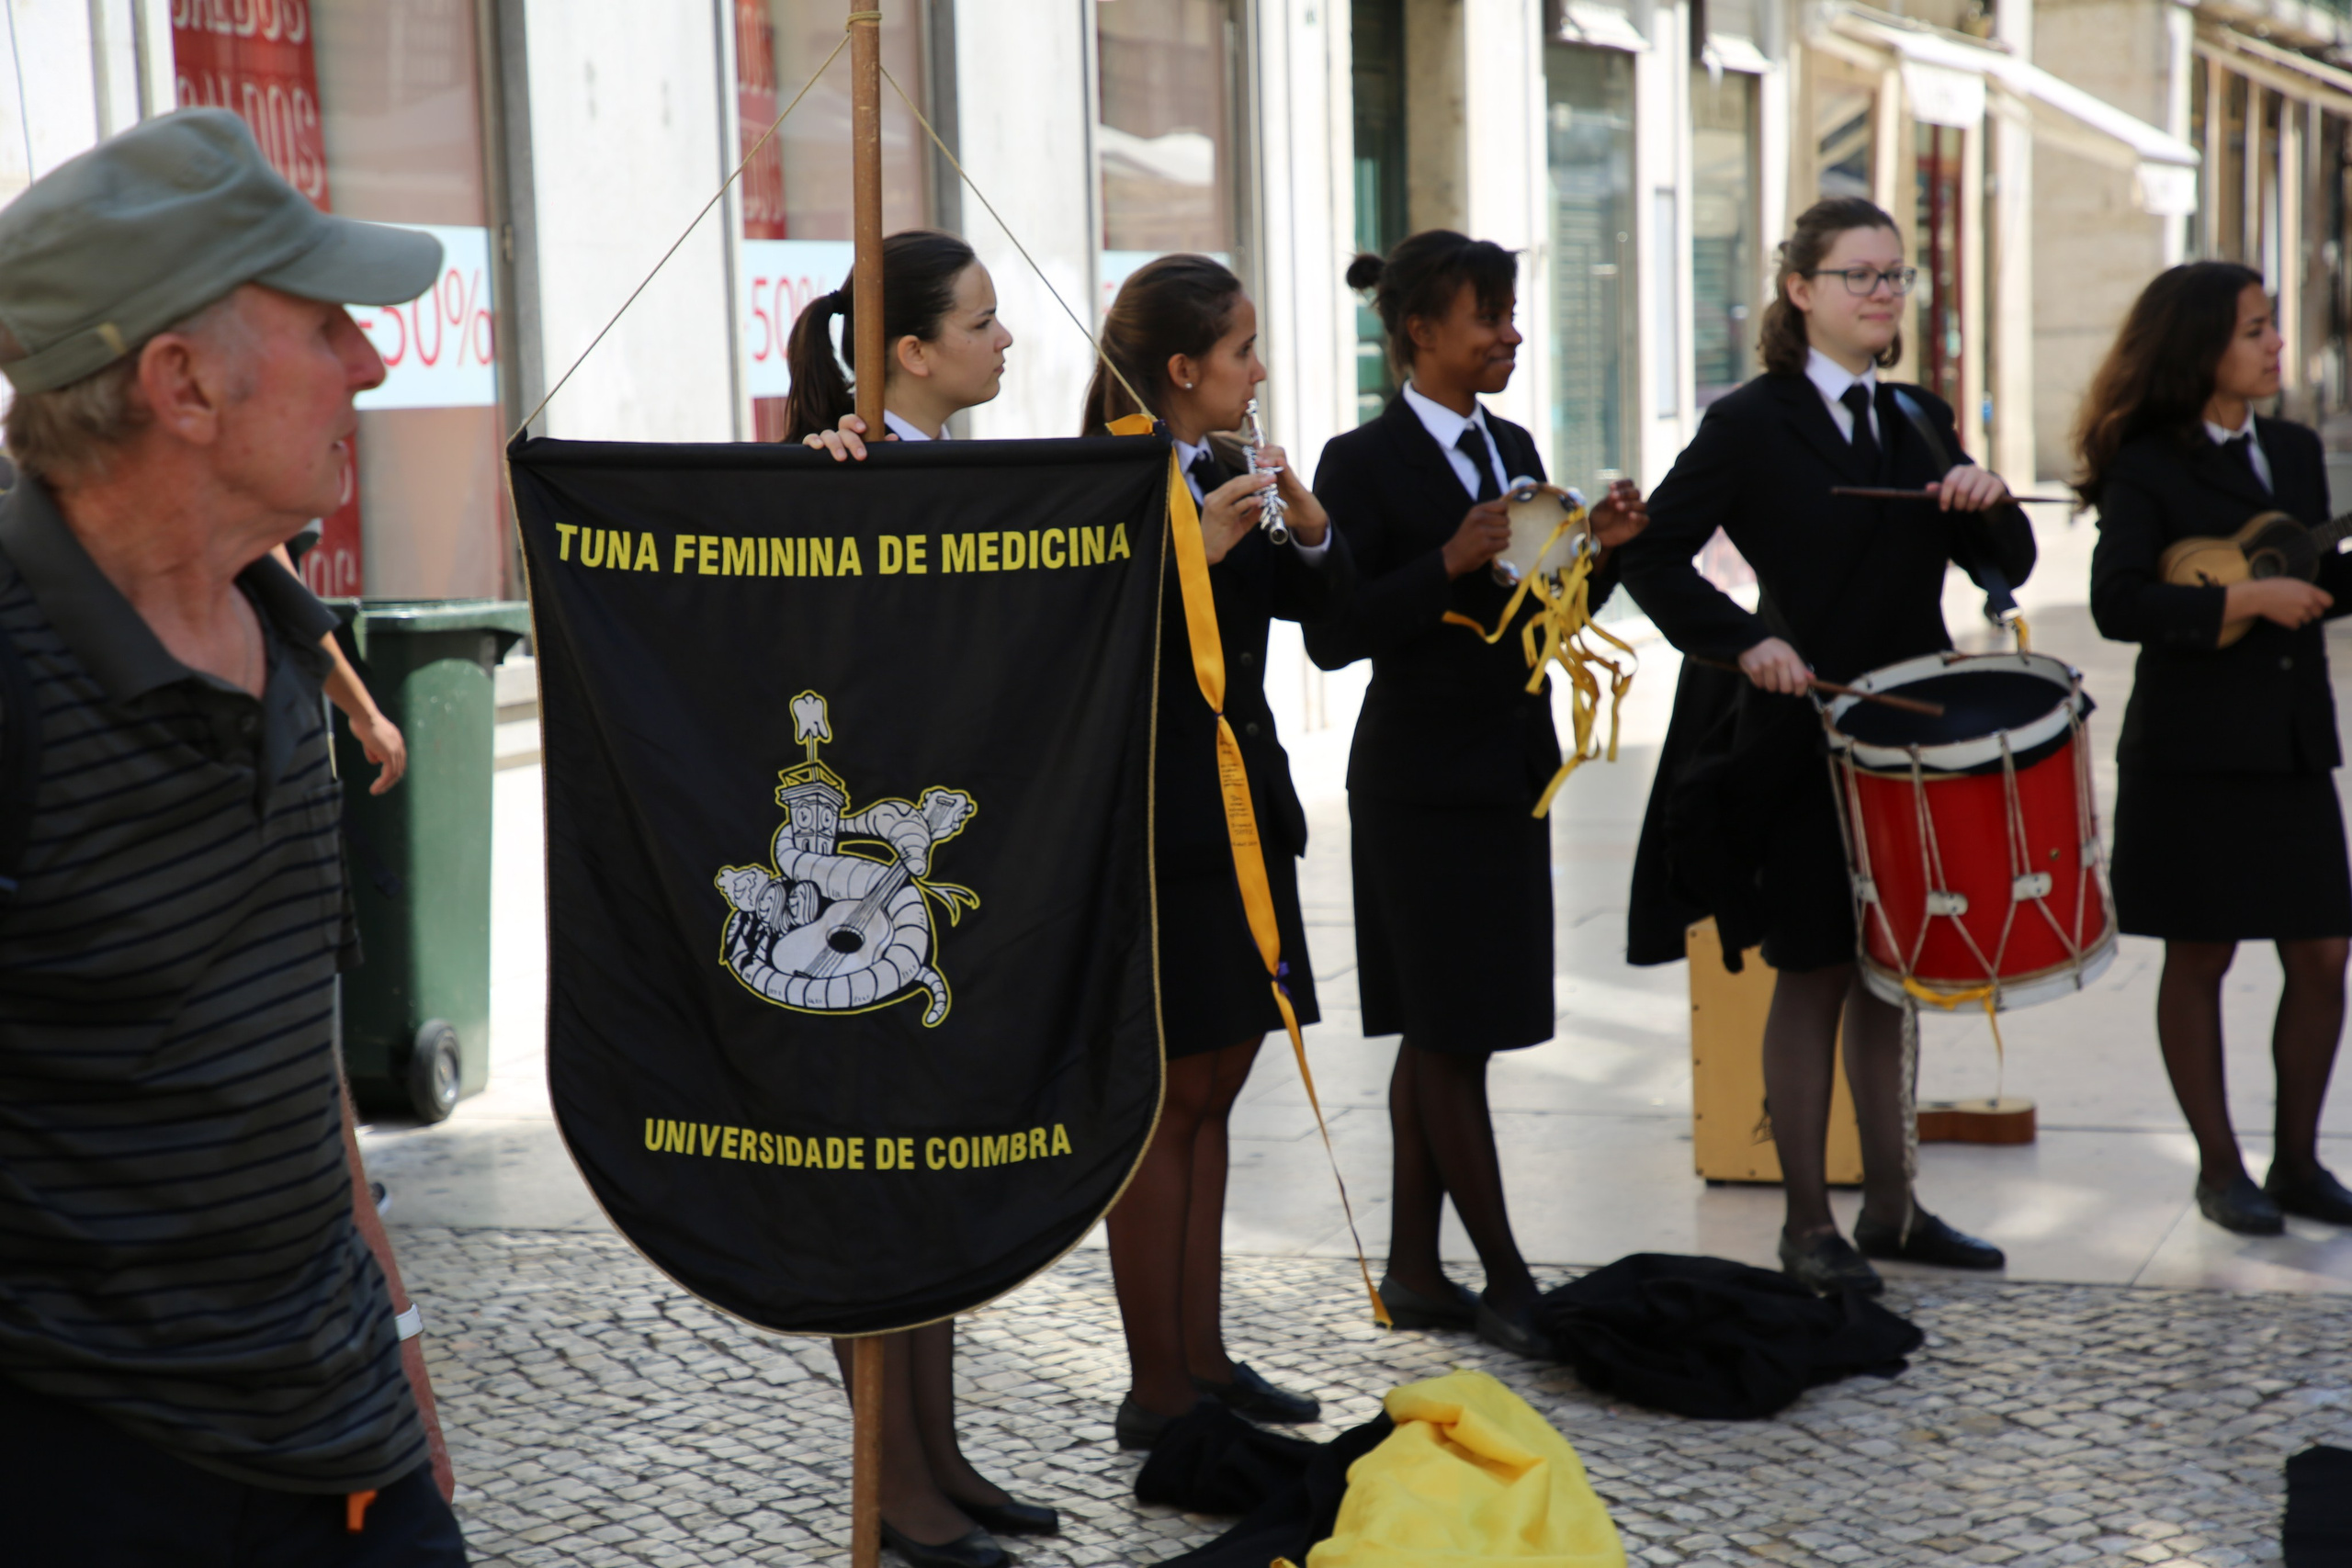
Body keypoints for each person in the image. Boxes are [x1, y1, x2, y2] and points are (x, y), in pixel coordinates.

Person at [0, 108, 461, 1562]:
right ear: (181, 384)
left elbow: (298, 1066)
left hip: (351, 1451)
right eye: (328, 325)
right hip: (93, 1485)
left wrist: (400, 1348)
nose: (375, 362)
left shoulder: (276, 632)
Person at [1618, 196, 2033, 1295]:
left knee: (1895, 975)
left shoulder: (1920, 417)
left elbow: (2009, 559)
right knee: (1812, 974)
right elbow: (1650, 557)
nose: (1884, 293)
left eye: (1895, 275)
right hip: (1801, 735)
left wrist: (1983, 502)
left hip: (1910, 730)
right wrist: (1743, 639)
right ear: (1801, 291)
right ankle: (1810, 1225)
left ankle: (1894, 1208)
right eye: (1860, 275)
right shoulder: (1749, 421)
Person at [1304, 231, 1648, 1357]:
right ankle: (1504, 1277)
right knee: (1448, 1033)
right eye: (1487, 315)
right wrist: (1444, 561)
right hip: (1417, 781)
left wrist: (1600, 555)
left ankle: (1415, 1271)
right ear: (1420, 333)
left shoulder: (1511, 445)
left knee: (1454, 1034)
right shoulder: (1359, 462)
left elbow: (1541, 619)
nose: (1508, 333)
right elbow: (1334, 632)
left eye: (1509, 314)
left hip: (1505, 769)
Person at [779, 231, 1050, 1568]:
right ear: (910, 350)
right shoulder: (841, 470)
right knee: (874, 1186)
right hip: (856, 897)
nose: (1008, 343)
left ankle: (938, 1452)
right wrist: (815, 491)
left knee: (930, 1177)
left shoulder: (966, 469)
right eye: (985, 322)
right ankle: (890, 1480)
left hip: (953, 871)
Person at [1081, 254, 1351, 1449]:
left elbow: (1320, 619)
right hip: (1165, 827)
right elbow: (1089, 652)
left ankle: (1203, 1355)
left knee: (1221, 1089)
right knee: (1166, 1102)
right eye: (1242, 350)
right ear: (1184, 368)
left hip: (1251, 809)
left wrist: (1310, 527)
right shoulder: (1106, 476)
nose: (1259, 369)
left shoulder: (1234, 460)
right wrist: (1191, 546)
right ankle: (1159, 1388)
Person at [2079, 262, 2352, 1235]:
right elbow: (2117, 602)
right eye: (2254, 328)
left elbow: (2316, 577)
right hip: (2189, 748)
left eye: (2271, 325)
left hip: (2288, 743)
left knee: (2323, 953)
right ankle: (2220, 1168)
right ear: (2201, 347)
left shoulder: (2291, 446)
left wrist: (2314, 586)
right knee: (2200, 954)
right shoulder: (2143, 460)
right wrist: (2241, 600)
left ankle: (2297, 1164)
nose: (2276, 342)